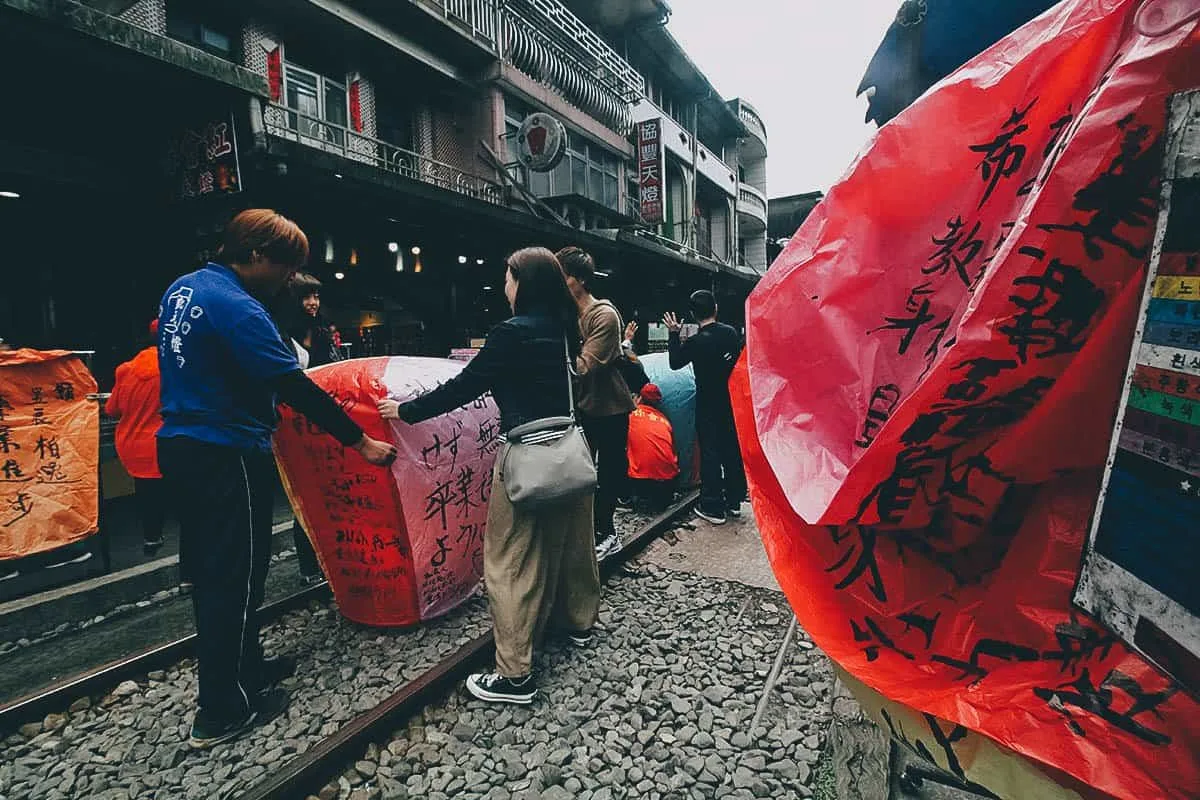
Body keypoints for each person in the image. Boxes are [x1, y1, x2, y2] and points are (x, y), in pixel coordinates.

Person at [156, 209, 397, 749]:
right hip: (226, 451)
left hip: (182, 446)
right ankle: (223, 709)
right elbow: (294, 386)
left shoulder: (184, 289)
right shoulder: (241, 308)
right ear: (256, 255)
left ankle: (248, 669)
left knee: (220, 571)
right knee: (234, 578)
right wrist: (358, 441)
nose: (291, 280)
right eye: (286, 267)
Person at [377, 247, 600, 706]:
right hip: (570, 456)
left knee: (510, 561)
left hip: (527, 459)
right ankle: (577, 623)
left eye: (508, 277)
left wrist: (405, 411)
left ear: (523, 284)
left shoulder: (510, 334)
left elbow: (464, 386)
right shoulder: (562, 330)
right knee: (570, 546)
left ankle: (515, 674)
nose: (504, 286)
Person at [556, 246, 634, 560]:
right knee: (579, 473)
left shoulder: (603, 314)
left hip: (609, 408)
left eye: (564, 277)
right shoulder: (564, 313)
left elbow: (583, 367)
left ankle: (607, 533)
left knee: (608, 473)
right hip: (581, 409)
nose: (559, 283)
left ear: (582, 280)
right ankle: (586, 532)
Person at [664, 290, 746, 525]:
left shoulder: (696, 342)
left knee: (710, 451)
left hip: (707, 403)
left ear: (692, 313)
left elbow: (674, 362)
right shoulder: (730, 333)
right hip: (730, 400)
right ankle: (734, 501)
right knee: (731, 448)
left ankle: (713, 506)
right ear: (715, 308)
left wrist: (673, 334)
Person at [283, 272, 341, 585]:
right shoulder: (279, 335)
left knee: (327, 494)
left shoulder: (322, 333)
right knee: (303, 497)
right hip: (289, 426)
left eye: (316, 296)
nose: (312, 303)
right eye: (306, 296)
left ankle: (332, 560)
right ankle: (309, 566)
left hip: (323, 423)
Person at [106, 320, 170, 557]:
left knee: (146, 491)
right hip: (163, 441)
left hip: (131, 444)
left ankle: (151, 536)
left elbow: (112, 409)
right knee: (177, 490)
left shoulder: (126, 369)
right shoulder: (172, 368)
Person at [626, 383, 679, 511]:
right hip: (668, 482)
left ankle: (625, 498)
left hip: (641, 480)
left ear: (639, 398)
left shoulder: (630, 416)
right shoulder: (664, 421)